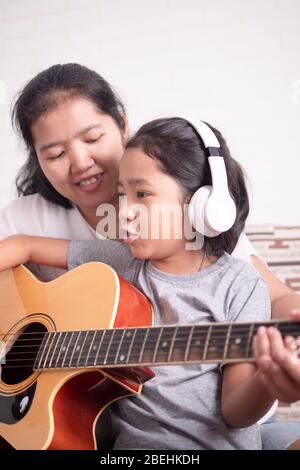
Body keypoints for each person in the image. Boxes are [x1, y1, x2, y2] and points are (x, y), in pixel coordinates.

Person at [0, 63, 299, 448]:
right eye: (55, 152)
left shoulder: (227, 272)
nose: (79, 162)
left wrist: (274, 367)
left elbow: (271, 303)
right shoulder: (114, 254)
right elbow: (24, 245)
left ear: (203, 209)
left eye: (92, 137)